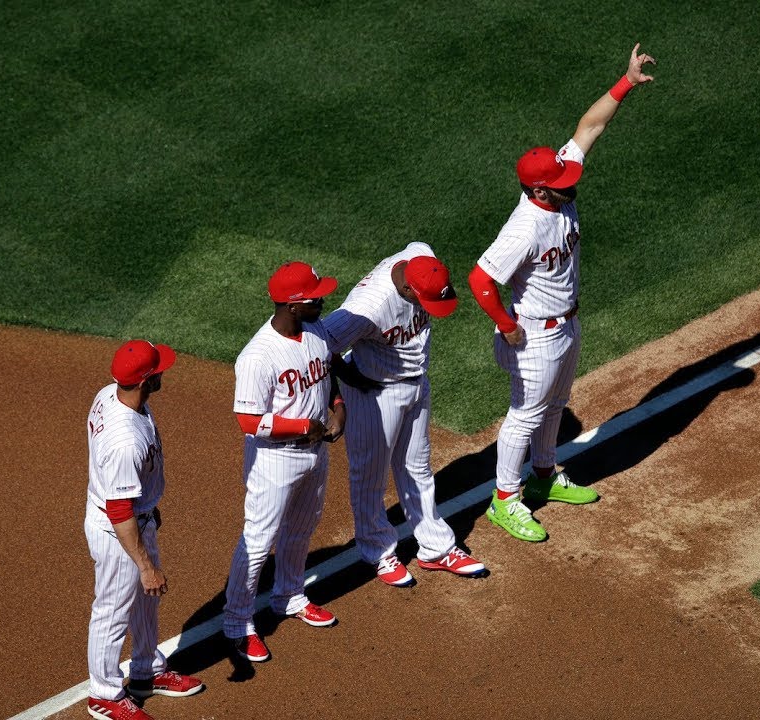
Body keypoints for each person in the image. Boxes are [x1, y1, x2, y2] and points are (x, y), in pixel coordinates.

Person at [468, 43, 657, 542]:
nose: (572, 184)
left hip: (567, 322)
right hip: (532, 333)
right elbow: (480, 279)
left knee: (555, 406)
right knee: (525, 413)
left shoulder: (555, 180)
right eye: (561, 184)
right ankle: (504, 500)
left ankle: (545, 476)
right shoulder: (525, 227)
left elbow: (588, 127)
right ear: (539, 190)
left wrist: (625, 81)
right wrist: (507, 327)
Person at [324, 242, 488, 588]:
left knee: (418, 467)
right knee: (370, 475)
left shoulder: (420, 255)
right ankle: (377, 551)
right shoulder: (367, 308)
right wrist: (346, 383)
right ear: (405, 288)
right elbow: (317, 346)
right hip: (374, 393)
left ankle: (436, 548)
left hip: (416, 384)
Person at [223, 261, 347, 663]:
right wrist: (301, 427)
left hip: (315, 454)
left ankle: (290, 596)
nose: (323, 298)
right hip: (275, 461)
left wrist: (339, 407)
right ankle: (238, 622)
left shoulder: (314, 330)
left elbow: (329, 375)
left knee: (301, 529)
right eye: (315, 296)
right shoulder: (257, 356)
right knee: (259, 542)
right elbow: (248, 420)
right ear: (293, 305)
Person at [84, 339, 204, 720]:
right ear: (145, 381)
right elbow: (118, 509)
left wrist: (149, 510)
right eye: (158, 370)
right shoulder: (124, 442)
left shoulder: (113, 393)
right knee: (113, 609)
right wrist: (146, 564)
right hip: (118, 529)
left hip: (135, 516)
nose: (164, 371)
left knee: (145, 601)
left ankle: (146, 669)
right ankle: (103, 694)